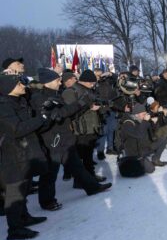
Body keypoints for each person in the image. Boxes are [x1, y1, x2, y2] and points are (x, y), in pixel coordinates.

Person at [31, 68, 111, 208]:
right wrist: (81, 103)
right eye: (56, 80)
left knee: (77, 166)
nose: (59, 82)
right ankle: (47, 201)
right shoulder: (39, 98)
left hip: (65, 138)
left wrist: (84, 106)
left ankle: (93, 187)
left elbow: (67, 114)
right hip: (52, 140)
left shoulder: (56, 95)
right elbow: (59, 114)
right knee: (50, 173)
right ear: (47, 82)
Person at [0, 75, 48, 240]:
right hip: (12, 155)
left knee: (24, 188)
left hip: (23, 152)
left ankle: (24, 217)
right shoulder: (4, 106)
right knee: (14, 192)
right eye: (19, 83)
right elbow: (17, 129)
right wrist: (40, 119)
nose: (23, 85)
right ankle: (14, 229)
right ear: (9, 87)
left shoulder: (18, 101)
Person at [62, 69, 106, 182]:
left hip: (90, 127)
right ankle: (83, 180)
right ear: (84, 81)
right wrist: (89, 107)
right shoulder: (70, 92)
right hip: (80, 130)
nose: (93, 85)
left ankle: (89, 177)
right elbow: (70, 112)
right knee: (81, 156)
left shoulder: (88, 90)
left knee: (88, 155)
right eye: (91, 83)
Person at [120, 103, 167, 171]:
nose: (145, 116)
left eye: (145, 113)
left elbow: (152, 133)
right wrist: (145, 121)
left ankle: (156, 160)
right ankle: (138, 162)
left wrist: (154, 123)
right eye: (143, 114)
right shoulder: (128, 123)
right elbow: (139, 134)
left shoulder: (141, 120)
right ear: (136, 114)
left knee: (163, 140)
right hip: (135, 152)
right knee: (151, 169)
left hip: (144, 146)